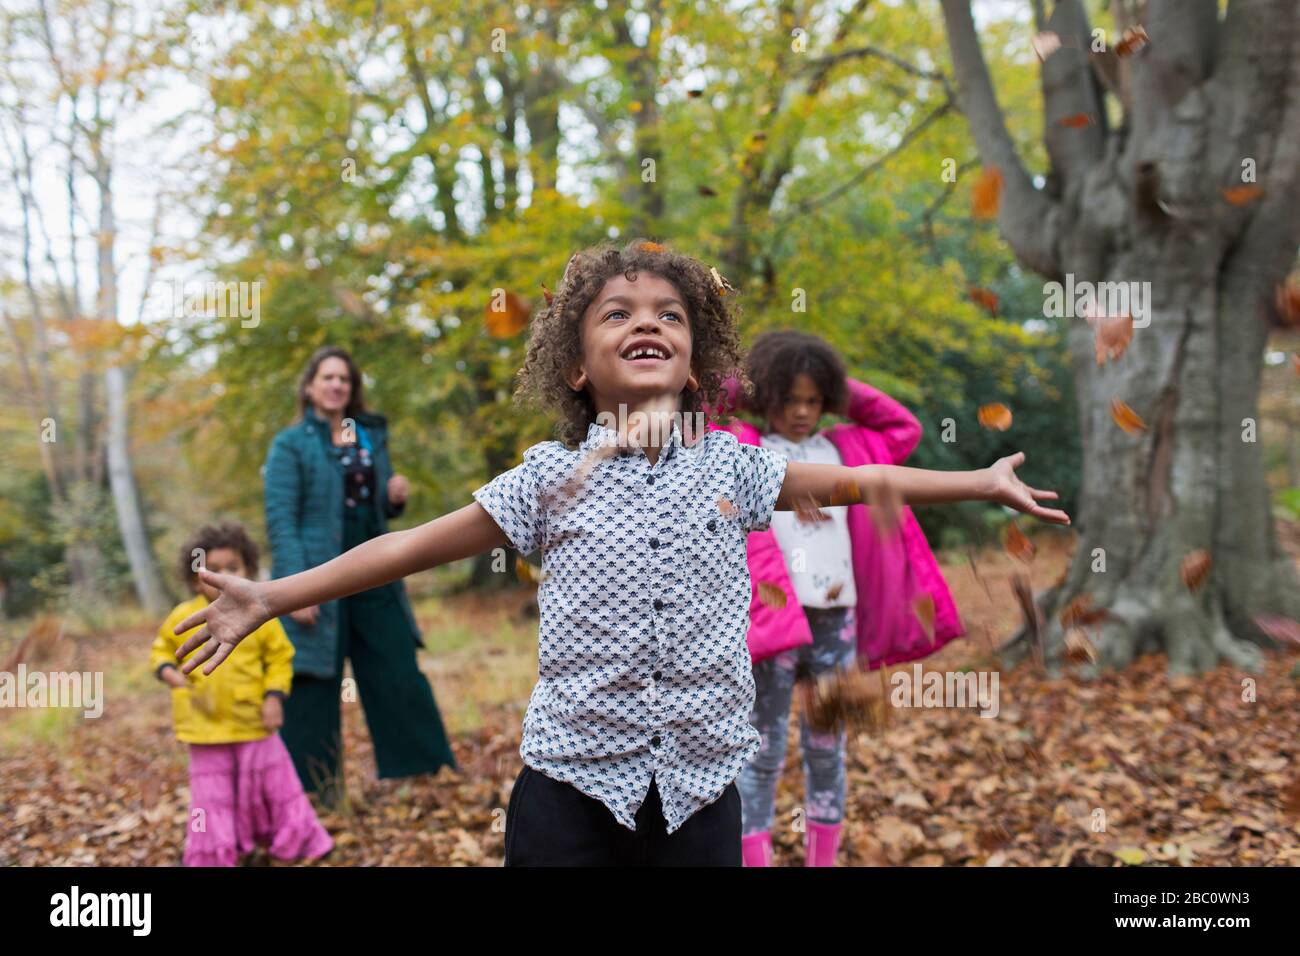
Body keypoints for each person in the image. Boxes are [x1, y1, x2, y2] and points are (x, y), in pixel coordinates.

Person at [173, 240, 1069, 867]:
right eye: (619, 313)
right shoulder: (544, 481)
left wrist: (979, 482)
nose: (649, 323)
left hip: (699, 792)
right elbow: (408, 545)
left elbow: (862, 485)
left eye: (670, 315)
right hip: (571, 788)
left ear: (693, 364)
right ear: (575, 364)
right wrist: (272, 595)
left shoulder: (736, 465)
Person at [715, 330, 963, 867]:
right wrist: (763, 380)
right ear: (768, 398)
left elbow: (904, 425)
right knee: (762, 752)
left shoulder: (852, 448)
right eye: (790, 398)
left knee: (828, 750)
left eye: (814, 399)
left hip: (837, 624)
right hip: (774, 624)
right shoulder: (741, 445)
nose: (803, 412)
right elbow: (710, 400)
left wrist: (832, 381)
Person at [263, 346, 457, 805]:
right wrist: (293, 589)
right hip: (316, 573)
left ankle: (423, 771)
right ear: (309, 387)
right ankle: (312, 790)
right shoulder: (290, 445)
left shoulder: (367, 435)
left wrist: (394, 499)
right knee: (313, 676)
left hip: (375, 568)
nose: (336, 386)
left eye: (344, 380)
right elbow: (281, 520)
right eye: (327, 378)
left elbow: (374, 508)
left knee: (395, 663)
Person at [151, 520, 333, 866]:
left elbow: (280, 657)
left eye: (232, 568)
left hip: (254, 722)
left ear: (248, 570)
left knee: (274, 787)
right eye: (212, 570)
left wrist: (274, 698)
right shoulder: (183, 616)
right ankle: (216, 854)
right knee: (211, 798)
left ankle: (294, 841)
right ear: (194, 577)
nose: (223, 576)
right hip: (204, 725)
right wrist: (167, 671)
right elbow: (161, 648)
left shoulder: (260, 615)